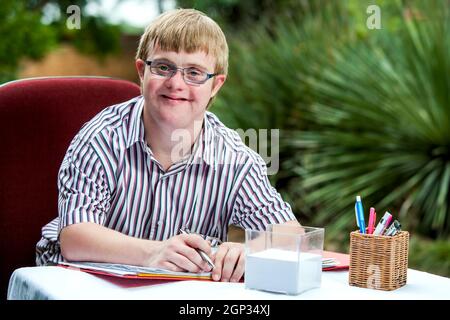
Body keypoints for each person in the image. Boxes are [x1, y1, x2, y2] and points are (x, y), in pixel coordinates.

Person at [36, 8, 298, 282]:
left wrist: (250, 251)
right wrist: (153, 253)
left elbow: (291, 236)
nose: (176, 83)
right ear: (141, 71)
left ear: (216, 85)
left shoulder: (234, 158)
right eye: (163, 67)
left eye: (195, 73)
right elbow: (76, 237)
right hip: (78, 286)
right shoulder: (102, 138)